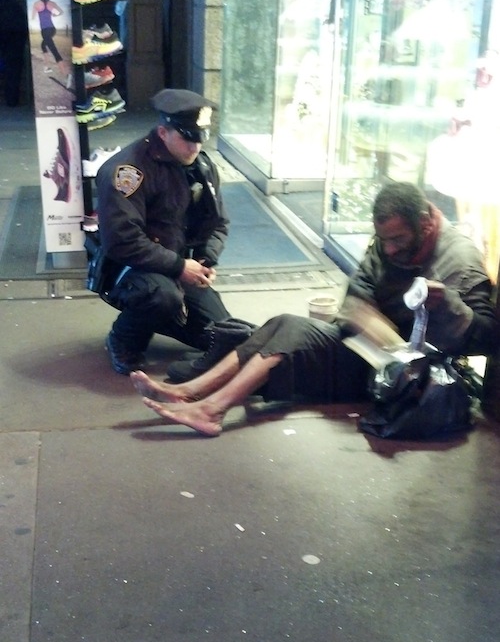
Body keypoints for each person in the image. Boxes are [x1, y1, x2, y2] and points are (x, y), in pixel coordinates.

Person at [129, 180, 500, 436]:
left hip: (407, 379)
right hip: (373, 352)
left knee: (292, 334)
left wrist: (449, 306)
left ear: (425, 223)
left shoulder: (459, 259)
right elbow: (358, 291)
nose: (388, 249)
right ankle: (193, 392)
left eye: (398, 239)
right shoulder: (393, 239)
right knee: (284, 322)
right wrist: (364, 316)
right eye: (383, 239)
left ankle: (212, 410)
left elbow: (484, 338)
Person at [96, 88, 253, 376]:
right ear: (163, 132)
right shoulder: (127, 171)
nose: (194, 147)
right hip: (132, 270)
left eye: (200, 138)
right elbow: (122, 242)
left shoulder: (201, 166)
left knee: (222, 337)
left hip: (179, 267)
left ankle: (169, 312)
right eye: (187, 138)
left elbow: (218, 222)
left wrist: (206, 259)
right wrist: (180, 267)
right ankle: (123, 339)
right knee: (162, 299)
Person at [31, 0, 72, 89]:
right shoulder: (52, 3)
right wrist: (54, 15)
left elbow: (32, 17)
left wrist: (36, 14)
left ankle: (67, 75)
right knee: (43, 45)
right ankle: (47, 66)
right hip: (52, 29)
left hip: (45, 31)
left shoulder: (36, 4)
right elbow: (61, 12)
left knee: (54, 52)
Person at [0, 0, 28, 107]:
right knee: (13, 71)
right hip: (14, 41)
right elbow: (21, 25)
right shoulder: (12, 4)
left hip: (11, 39)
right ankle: (12, 100)